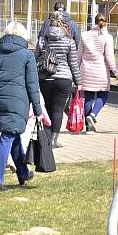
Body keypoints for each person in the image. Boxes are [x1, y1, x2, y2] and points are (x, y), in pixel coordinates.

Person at [0, 21, 44, 191]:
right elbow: (33, 86)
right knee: (7, 137)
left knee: (13, 134)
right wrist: (38, 110)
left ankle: (23, 172)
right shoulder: (27, 55)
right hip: (18, 101)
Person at [36, 11, 82, 148]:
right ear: (65, 25)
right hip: (64, 79)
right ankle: (54, 140)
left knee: (47, 108)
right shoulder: (69, 42)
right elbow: (73, 64)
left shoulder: (43, 40)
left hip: (45, 77)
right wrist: (78, 83)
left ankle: (45, 138)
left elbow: (35, 58)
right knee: (58, 110)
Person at [78, 13, 118, 133]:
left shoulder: (85, 35)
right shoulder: (107, 37)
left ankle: (88, 128)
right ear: (106, 23)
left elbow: (78, 55)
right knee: (103, 96)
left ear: (94, 22)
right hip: (101, 72)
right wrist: (116, 72)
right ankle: (93, 115)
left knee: (88, 98)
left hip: (86, 71)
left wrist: (75, 72)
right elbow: (110, 58)